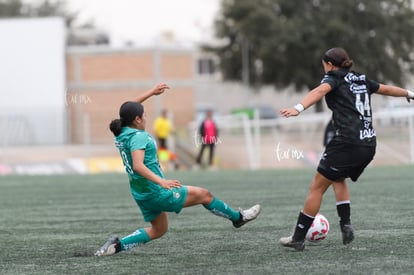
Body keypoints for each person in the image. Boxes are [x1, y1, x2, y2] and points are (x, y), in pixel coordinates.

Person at [94, 83, 261, 256]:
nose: (146, 117)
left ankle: (115, 247)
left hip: (140, 193)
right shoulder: (138, 136)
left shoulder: (122, 132)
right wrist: (162, 181)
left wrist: (151, 93)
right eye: (144, 115)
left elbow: (127, 109)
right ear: (137, 119)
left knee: (159, 230)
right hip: (156, 191)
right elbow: (138, 165)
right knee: (205, 195)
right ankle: (238, 218)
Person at [278, 47, 414, 251]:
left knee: (317, 187)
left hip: (347, 143)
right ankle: (346, 224)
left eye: (324, 65)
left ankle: (297, 238)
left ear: (330, 65)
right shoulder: (360, 78)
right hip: (368, 144)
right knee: (337, 178)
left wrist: (298, 108)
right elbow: (385, 89)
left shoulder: (333, 78)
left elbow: (319, 91)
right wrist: (410, 93)